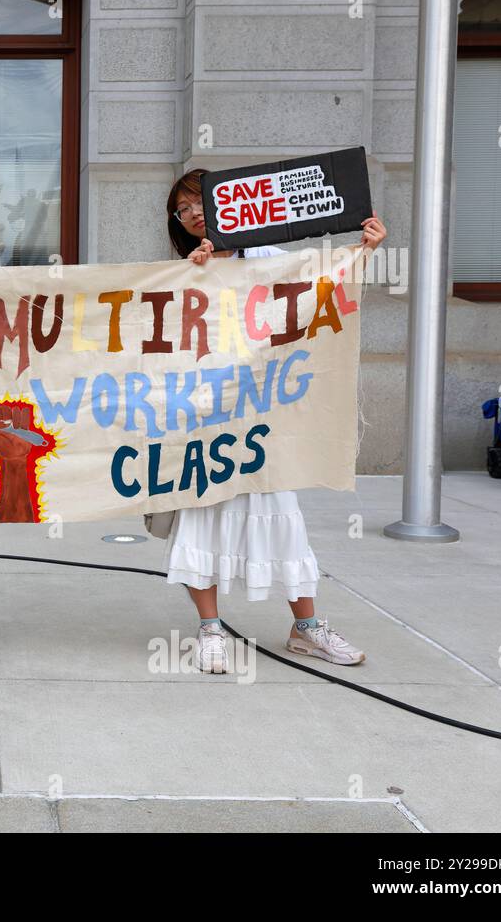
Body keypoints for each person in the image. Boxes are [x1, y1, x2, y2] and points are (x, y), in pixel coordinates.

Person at [164, 167, 386, 672]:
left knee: (281, 514)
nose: (195, 212)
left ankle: (306, 627)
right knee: (202, 517)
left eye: (200, 200)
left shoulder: (263, 256)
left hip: (259, 416)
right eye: (184, 208)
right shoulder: (179, 269)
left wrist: (363, 249)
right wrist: (196, 272)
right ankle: (210, 629)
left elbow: (313, 285)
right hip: (204, 416)